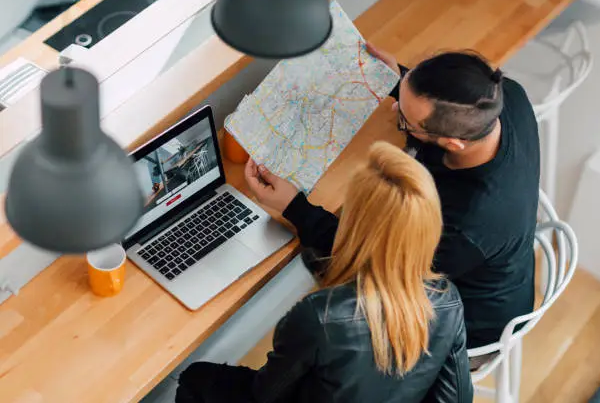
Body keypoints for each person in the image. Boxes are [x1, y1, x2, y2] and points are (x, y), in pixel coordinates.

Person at [244, 45, 541, 364]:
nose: (393, 110)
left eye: (405, 121)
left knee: (324, 275)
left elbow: (368, 261)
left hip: (464, 327)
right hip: (485, 269)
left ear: (453, 144)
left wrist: (293, 206)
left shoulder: (466, 226)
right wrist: (395, 78)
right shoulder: (503, 96)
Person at [176, 142, 473, 403]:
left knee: (196, 377)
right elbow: (458, 397)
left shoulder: (319, 317)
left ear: (355, 227)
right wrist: (295, 207)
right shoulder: (447, 300)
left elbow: (265, 393)